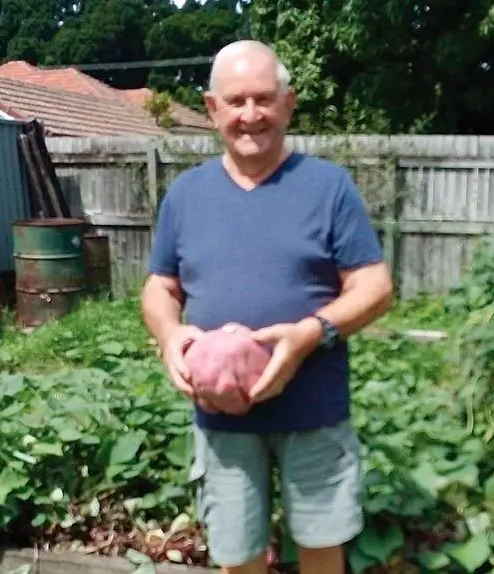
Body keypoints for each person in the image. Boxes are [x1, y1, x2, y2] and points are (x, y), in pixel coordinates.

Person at [140, 39, 394, 574]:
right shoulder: (187, 195)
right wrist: (169, 337)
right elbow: (160, 287)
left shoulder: (328, 187)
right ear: (213, 110)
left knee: (323, 550)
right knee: (237, 555)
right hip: (221, 416)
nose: (250, 115)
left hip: (314, 410)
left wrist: (311, 334)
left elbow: (374, 287)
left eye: (263, 99)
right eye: (235, 102)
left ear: (288, 103)